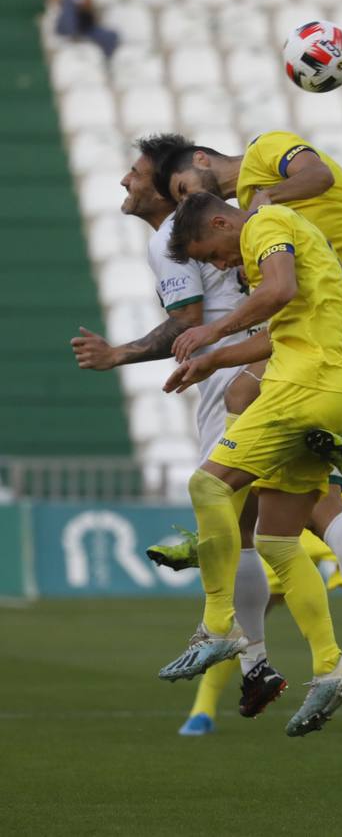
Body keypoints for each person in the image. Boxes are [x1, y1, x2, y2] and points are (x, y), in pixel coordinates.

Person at [70, 135, 285, 735]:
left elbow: (187, 324)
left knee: (226, 508)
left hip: (231, 376)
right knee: (255, 525)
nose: (124, 182)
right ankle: (262, 663)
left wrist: (119, 354)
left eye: (134, 174)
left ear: (163, 187)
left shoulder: (169, 243)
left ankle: (245, 647)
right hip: (261, 359)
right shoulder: (210, 229)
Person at [159, 193, 342, 737]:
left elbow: (279, 291)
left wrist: (210, 329)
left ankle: (217, 627)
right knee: (279, 540)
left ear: (225, 222)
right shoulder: (289, 236)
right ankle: (331, 665)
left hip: (298, 388)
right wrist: (210, 359)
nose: (223, 266)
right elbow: (277, 331)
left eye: (215, 253)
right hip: (335, 392)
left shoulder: (267, 224)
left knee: (206, 485)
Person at [155, 130, 342, 488]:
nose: (192, 198)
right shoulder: (253, 233)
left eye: (184, 189)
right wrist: (214, 359)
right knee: (242, 392)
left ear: (201, 159)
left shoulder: (265, 149)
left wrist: (270, 197)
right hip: (332, 298)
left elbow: (319, 175)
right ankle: (221, 507)